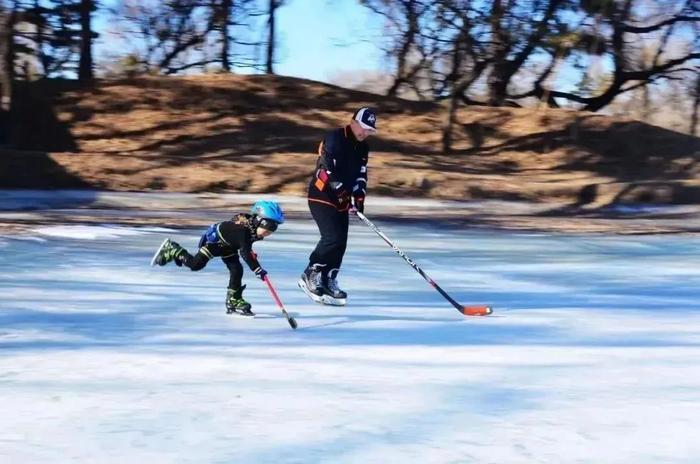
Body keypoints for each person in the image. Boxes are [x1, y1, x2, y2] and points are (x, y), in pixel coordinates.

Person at [298, 107, 377, 305]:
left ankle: (328, 279)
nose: (365, 133)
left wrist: (359, 197)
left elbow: (361, 174)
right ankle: (311, 273)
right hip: (321, 195)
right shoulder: (335, 137)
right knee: (331, 237)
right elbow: (326, 168)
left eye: (369, 130)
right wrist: (340, 190)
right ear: (353, 122)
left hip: (342, 200)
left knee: (341, 242)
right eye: (363, 128)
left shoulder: (363, 148)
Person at [150, 200, 285, 316]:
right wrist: (257, 269)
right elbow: (245, 251)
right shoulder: (242, 230)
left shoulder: (251, 229)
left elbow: (246, 248)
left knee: (237, 270)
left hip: (229, 247)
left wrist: (250, 255)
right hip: (214, 243)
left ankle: (233, 299)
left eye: (274, 227)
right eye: (268, 225)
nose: (270, 231)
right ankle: (173, 249)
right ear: (257, 220)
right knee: (195, 265)